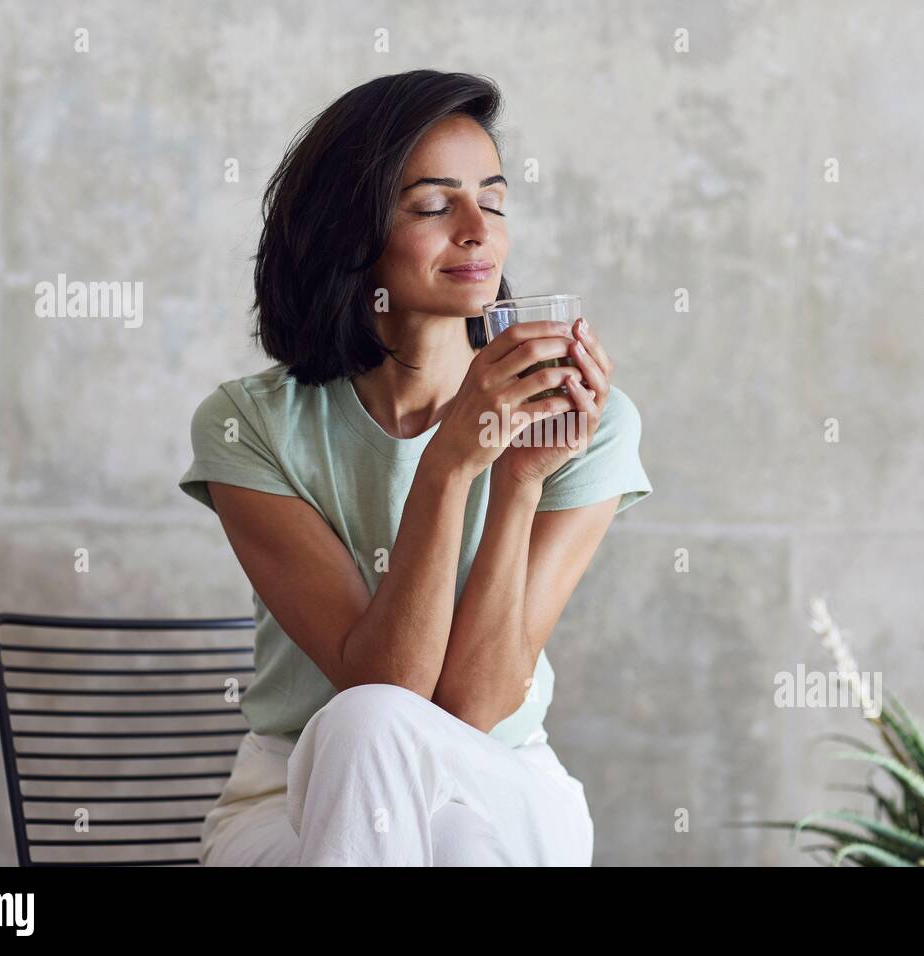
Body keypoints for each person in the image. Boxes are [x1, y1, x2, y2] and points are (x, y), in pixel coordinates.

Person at [177, 70, 652, 866]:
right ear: (348, 232)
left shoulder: (584, 424)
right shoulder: (250, 424)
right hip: (293, 792)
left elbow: (473, 705)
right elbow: (386, 686)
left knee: (452, 814)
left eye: (493, 201)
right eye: (434, 205)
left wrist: (519, 479)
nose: (479, 230)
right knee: (374, 736)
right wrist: (448, 465)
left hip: (499, 772)